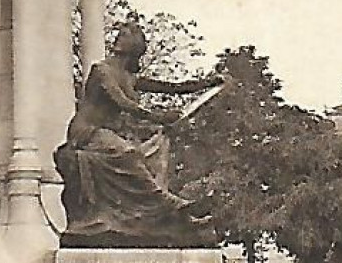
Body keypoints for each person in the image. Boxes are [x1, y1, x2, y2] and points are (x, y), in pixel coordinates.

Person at [54, 23, 223, 247]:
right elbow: (123, 103)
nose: (117, 38)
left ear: (134, 46)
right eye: (119, 34)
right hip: (85, 133)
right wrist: (159, 117)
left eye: (123, 35)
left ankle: (167, 216)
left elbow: (174, 88)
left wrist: (208, 83)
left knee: (148, 154)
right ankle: (168, 203)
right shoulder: (101, 70)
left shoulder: (130, 77)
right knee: (127, 153)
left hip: (102, 134)